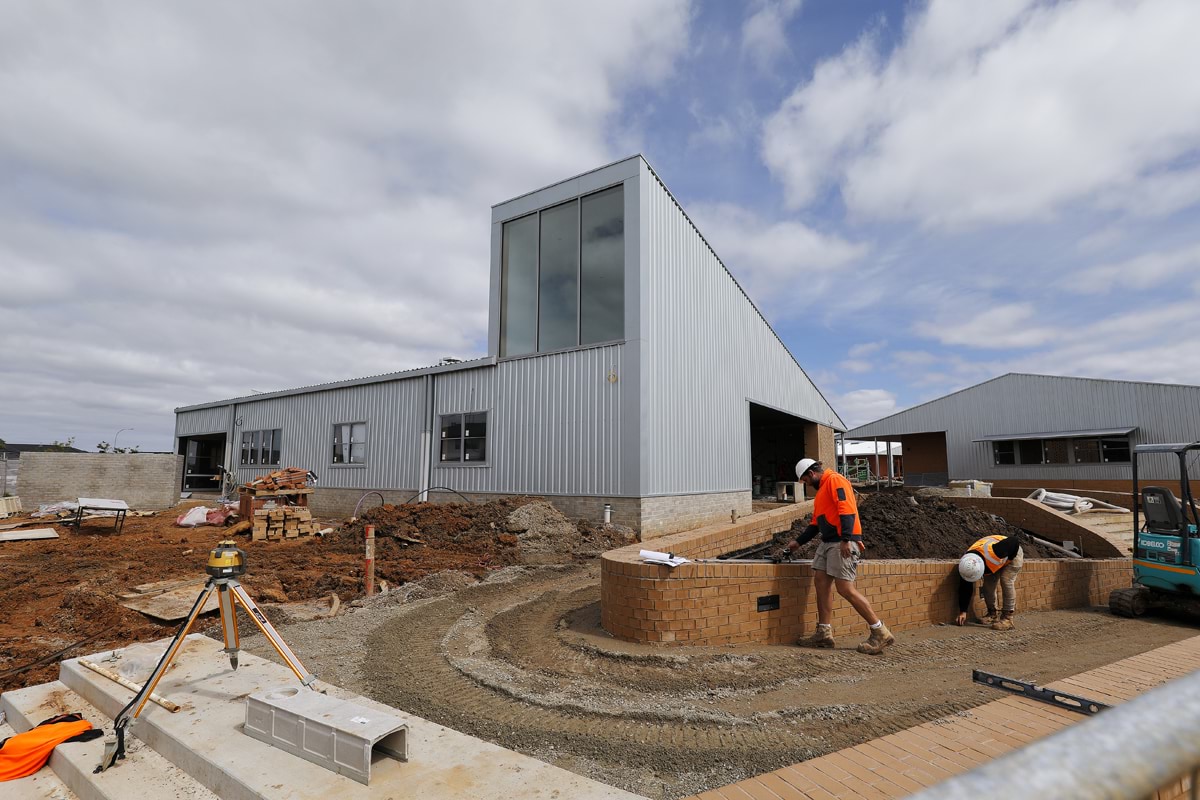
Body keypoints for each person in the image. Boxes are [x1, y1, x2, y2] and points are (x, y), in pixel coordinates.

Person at [777, 458, 895, 655]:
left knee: (845, 588)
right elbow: (815, 524)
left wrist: (846, 539)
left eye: (805, 481)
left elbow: (846, 509)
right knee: (821, 581)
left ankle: (879, 631)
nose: (806, 484)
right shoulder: (822, 491)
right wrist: (797, 542)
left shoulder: (835, 481)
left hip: (842, 542)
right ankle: (824, 633)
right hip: (828, 543)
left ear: (811, 474)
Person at [955, 534, 1024, 631]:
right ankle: (992, 614)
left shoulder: (995, 551)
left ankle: (1008, 619)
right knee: (988, 585)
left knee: (1006, 581)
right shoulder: (967, 564)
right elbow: (965, 587)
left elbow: (1014, 541)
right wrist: (963, 611)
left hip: (1013, 553)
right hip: (995, 559)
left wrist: (1009, 559)